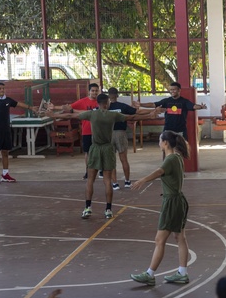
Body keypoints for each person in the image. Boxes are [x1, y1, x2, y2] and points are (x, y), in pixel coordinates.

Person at [46, 94, 146, 219]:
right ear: (106, 103)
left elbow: (70, 115)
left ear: (98, 103)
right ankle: (108, 210)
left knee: (90, 180)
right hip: (108, 149)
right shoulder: (112, 115)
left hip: (95, 148)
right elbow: (132, 116)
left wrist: (53, 115)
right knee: (107, 180)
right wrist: (151, 115)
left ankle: (88, 208)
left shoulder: (91, 114)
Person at [128, 131, 191, 286]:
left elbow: (159, 172)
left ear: (166, 143)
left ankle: (150, 274)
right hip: (179, 201)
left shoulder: (170, 159)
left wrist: (143, 179)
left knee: (159, 239)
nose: (158, 142)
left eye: (160, 140)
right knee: (180, 237)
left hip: (171, 203)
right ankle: (182, 273)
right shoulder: (177, 157)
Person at [107, 88, 161, 191]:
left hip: (108, 134)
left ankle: (115, 183)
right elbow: (137, 112)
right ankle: (127, 181)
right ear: (117, 95)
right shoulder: (122, 106)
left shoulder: (104, 108)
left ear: (109, 96)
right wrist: (152, 112)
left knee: (111, 160)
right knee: (124, 159)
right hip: (120, 133)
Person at [51, 83, 99, 180]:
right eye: (92, 90)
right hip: (87, 130)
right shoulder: (83, 101)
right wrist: (54, 107)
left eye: (96, 91)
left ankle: (101, 170)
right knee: (88, 152)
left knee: (99, 151)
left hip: (99, 131)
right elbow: (68, 107)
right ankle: (88, 171)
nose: (94, 92)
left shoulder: (100, 102)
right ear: (89, 91)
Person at [134, 82, 207, 141]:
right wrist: (140, 104)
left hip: (180, 130)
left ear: (179, 90)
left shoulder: (184, 102)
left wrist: (201, 107)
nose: (172, 91)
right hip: (168, 129)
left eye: (174, 89)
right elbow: (153, 104)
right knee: (167, 150)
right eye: (171, 90)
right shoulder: (166, 101)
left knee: (180, 150)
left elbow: (193, 106)